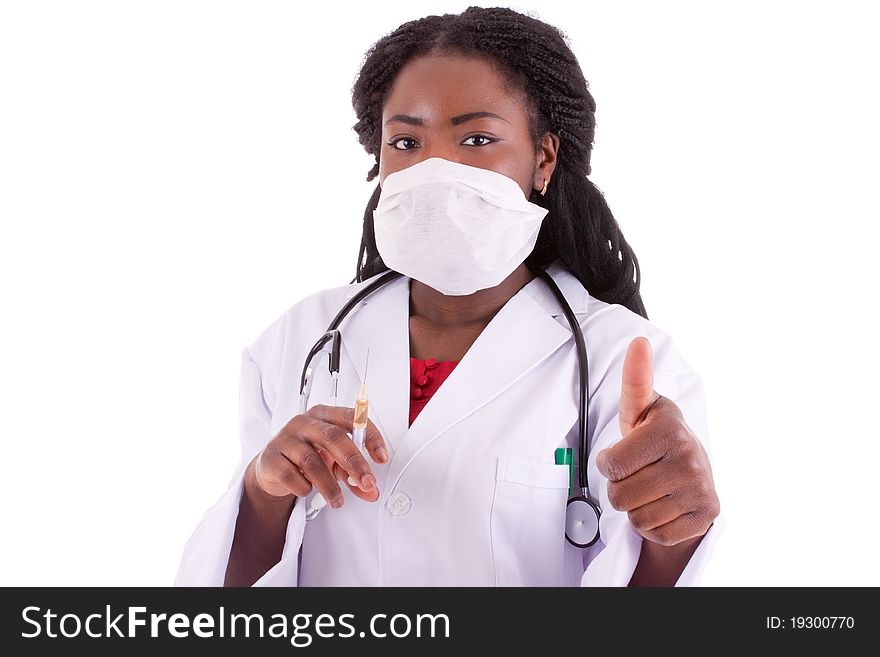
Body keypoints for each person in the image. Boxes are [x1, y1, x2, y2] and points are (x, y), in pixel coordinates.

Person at [174, 6, 721, 587]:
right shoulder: (300, 339)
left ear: (543, 158)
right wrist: (264, 490)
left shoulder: (622, 360)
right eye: (406, 141)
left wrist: (678, 533)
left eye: (477, 138)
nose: (434, 169)